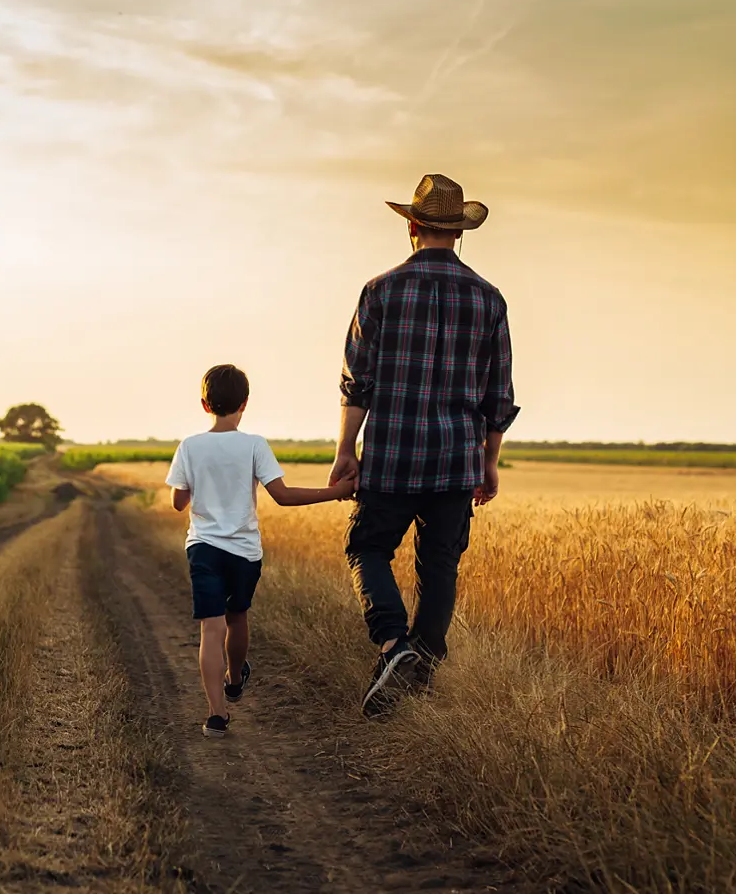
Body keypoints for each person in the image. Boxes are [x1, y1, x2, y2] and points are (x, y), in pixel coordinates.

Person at [331, 173, 520, 717]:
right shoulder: (489, 298)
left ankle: (394, 645)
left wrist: (346, 450)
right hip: (457, 459)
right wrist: (489, 462)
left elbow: (357, 381)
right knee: (440, 566)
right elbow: (499, 393)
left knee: (367, 548)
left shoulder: (380, 291)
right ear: (458, 233)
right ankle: (420, 673)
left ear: (412, 227)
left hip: (392, 453)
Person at [167, 364, 356, 737]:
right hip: (244, 552)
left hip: (203, 549)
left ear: (205, 404)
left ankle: (216, 716)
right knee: (237, 617)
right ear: (245, 403)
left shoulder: (189, 446)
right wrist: (336, 492)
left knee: (211, 628)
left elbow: (178, 502)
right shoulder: (254, 444)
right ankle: (235, 679)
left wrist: (198, 486)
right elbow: (282, 496)